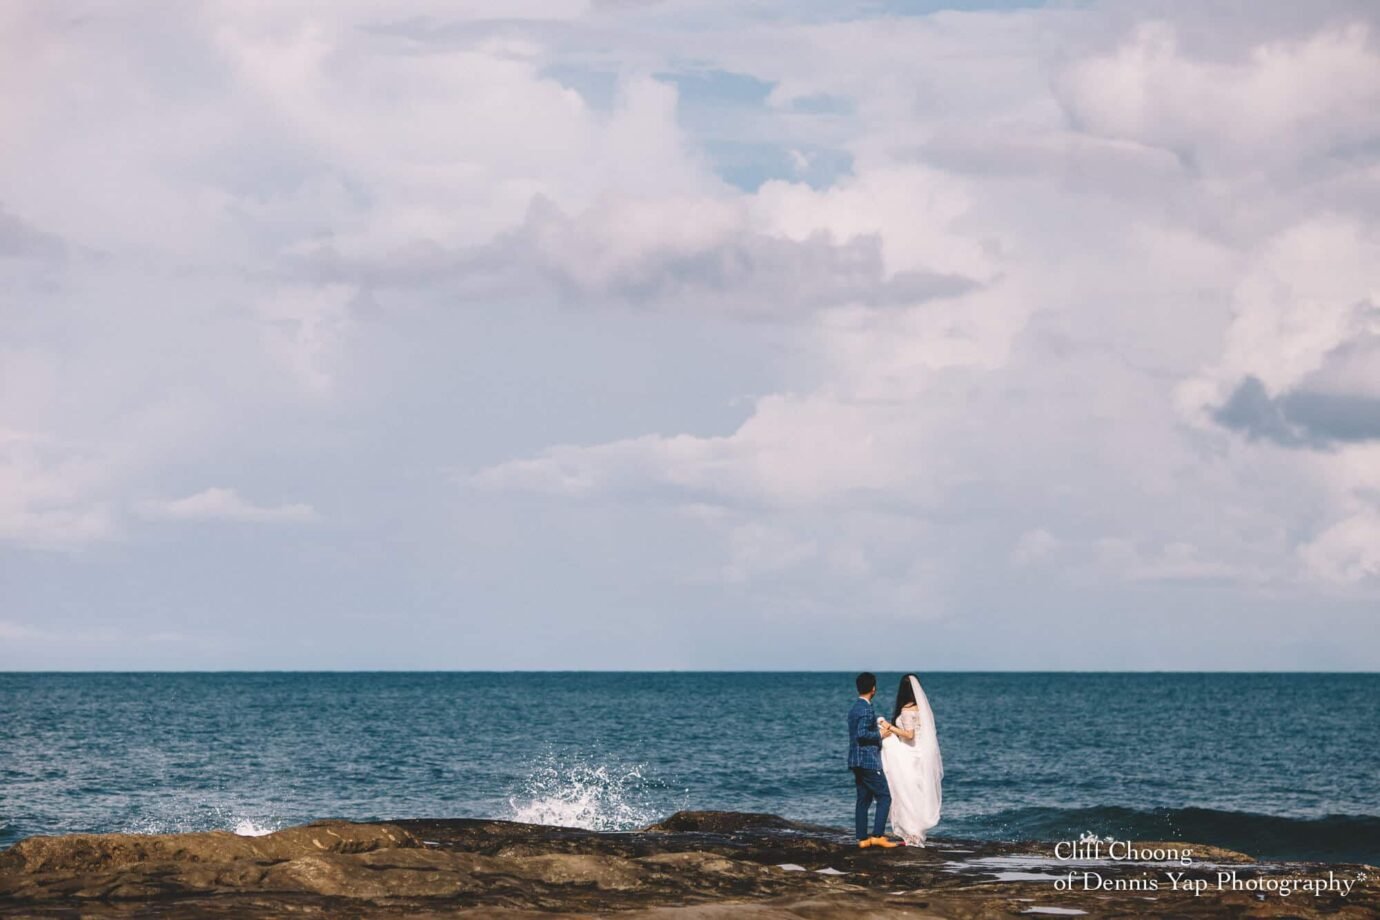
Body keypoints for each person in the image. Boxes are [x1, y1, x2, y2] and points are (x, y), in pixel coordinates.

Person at [880, 673, 944, 846]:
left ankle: (912, 832)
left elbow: (909, 735)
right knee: (915, 792)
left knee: (906, 792)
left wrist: (889, 727)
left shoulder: (907, 710)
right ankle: (915, 832)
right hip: (920, 753)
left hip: (909, 753)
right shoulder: (921, 710)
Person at [847, 672, 899, 848]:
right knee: (884, 797)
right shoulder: (867, 709)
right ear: (873, 689)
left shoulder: (855, 707)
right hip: (868, 760)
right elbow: (862, 734)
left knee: (863, 799)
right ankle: (877, 835)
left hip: (855, 760)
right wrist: (880, 734)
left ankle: (862, 839)